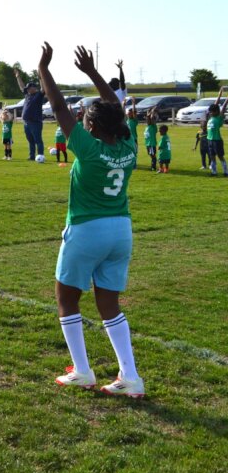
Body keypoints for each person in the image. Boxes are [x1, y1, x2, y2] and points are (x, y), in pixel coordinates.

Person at [38, 42, 143, 398]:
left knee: (67, 299)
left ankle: (82, 371)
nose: (81, 121)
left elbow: (56, 106)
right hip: (121, 231)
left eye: (86, 120)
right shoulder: (128, 147)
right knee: (109, 305)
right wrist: (92, 73)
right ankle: (130, 376)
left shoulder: (88, 147)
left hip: (87, 230)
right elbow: (116, 109)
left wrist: (44, 69)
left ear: (94, 128)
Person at [14, 69, 45, 160]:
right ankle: (32, 156)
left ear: (33, 88)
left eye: (29, 88)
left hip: (35, 122)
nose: (27, 89)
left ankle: (40, 156)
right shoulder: (27, 95)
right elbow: (21, 87)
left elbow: (43, 88)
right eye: (27, 88)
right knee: (30, 140)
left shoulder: (38, 95)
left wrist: (40, 78)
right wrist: (18, 77)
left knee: (38, 140)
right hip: (26, 122)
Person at [207, 88, 227, 177]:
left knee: (220, 156)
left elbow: (223, 107)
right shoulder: (211, 118)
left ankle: (226, 171)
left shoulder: (219, 118)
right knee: (212, 157)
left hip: (217, 141)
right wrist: (220, 94)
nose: (210, 113)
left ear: (216, 112)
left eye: (212, 111)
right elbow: (215, 104)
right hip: (210, 140)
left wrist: (227, 99)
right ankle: (214, 172)